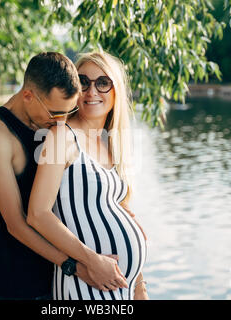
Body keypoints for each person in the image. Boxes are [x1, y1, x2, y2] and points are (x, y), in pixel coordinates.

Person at [0, 52, 128, 300]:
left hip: (64, 283)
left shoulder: (52, 126)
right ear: (28, 96)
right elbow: (17, 223)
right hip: (23, 284)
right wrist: (78, 266)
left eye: (69, 113)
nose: (62, 123)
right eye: (57, 114)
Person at [27, 51, 149, 300]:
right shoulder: (61, 137)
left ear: (117, 91)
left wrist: (139, 287)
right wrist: (91, 261)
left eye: (103, 83)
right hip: (84, 285)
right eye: (83, 82)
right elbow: (38, 215)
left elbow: (122, 214)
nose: (92, 91)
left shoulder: (112, 144)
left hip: (121, 288)